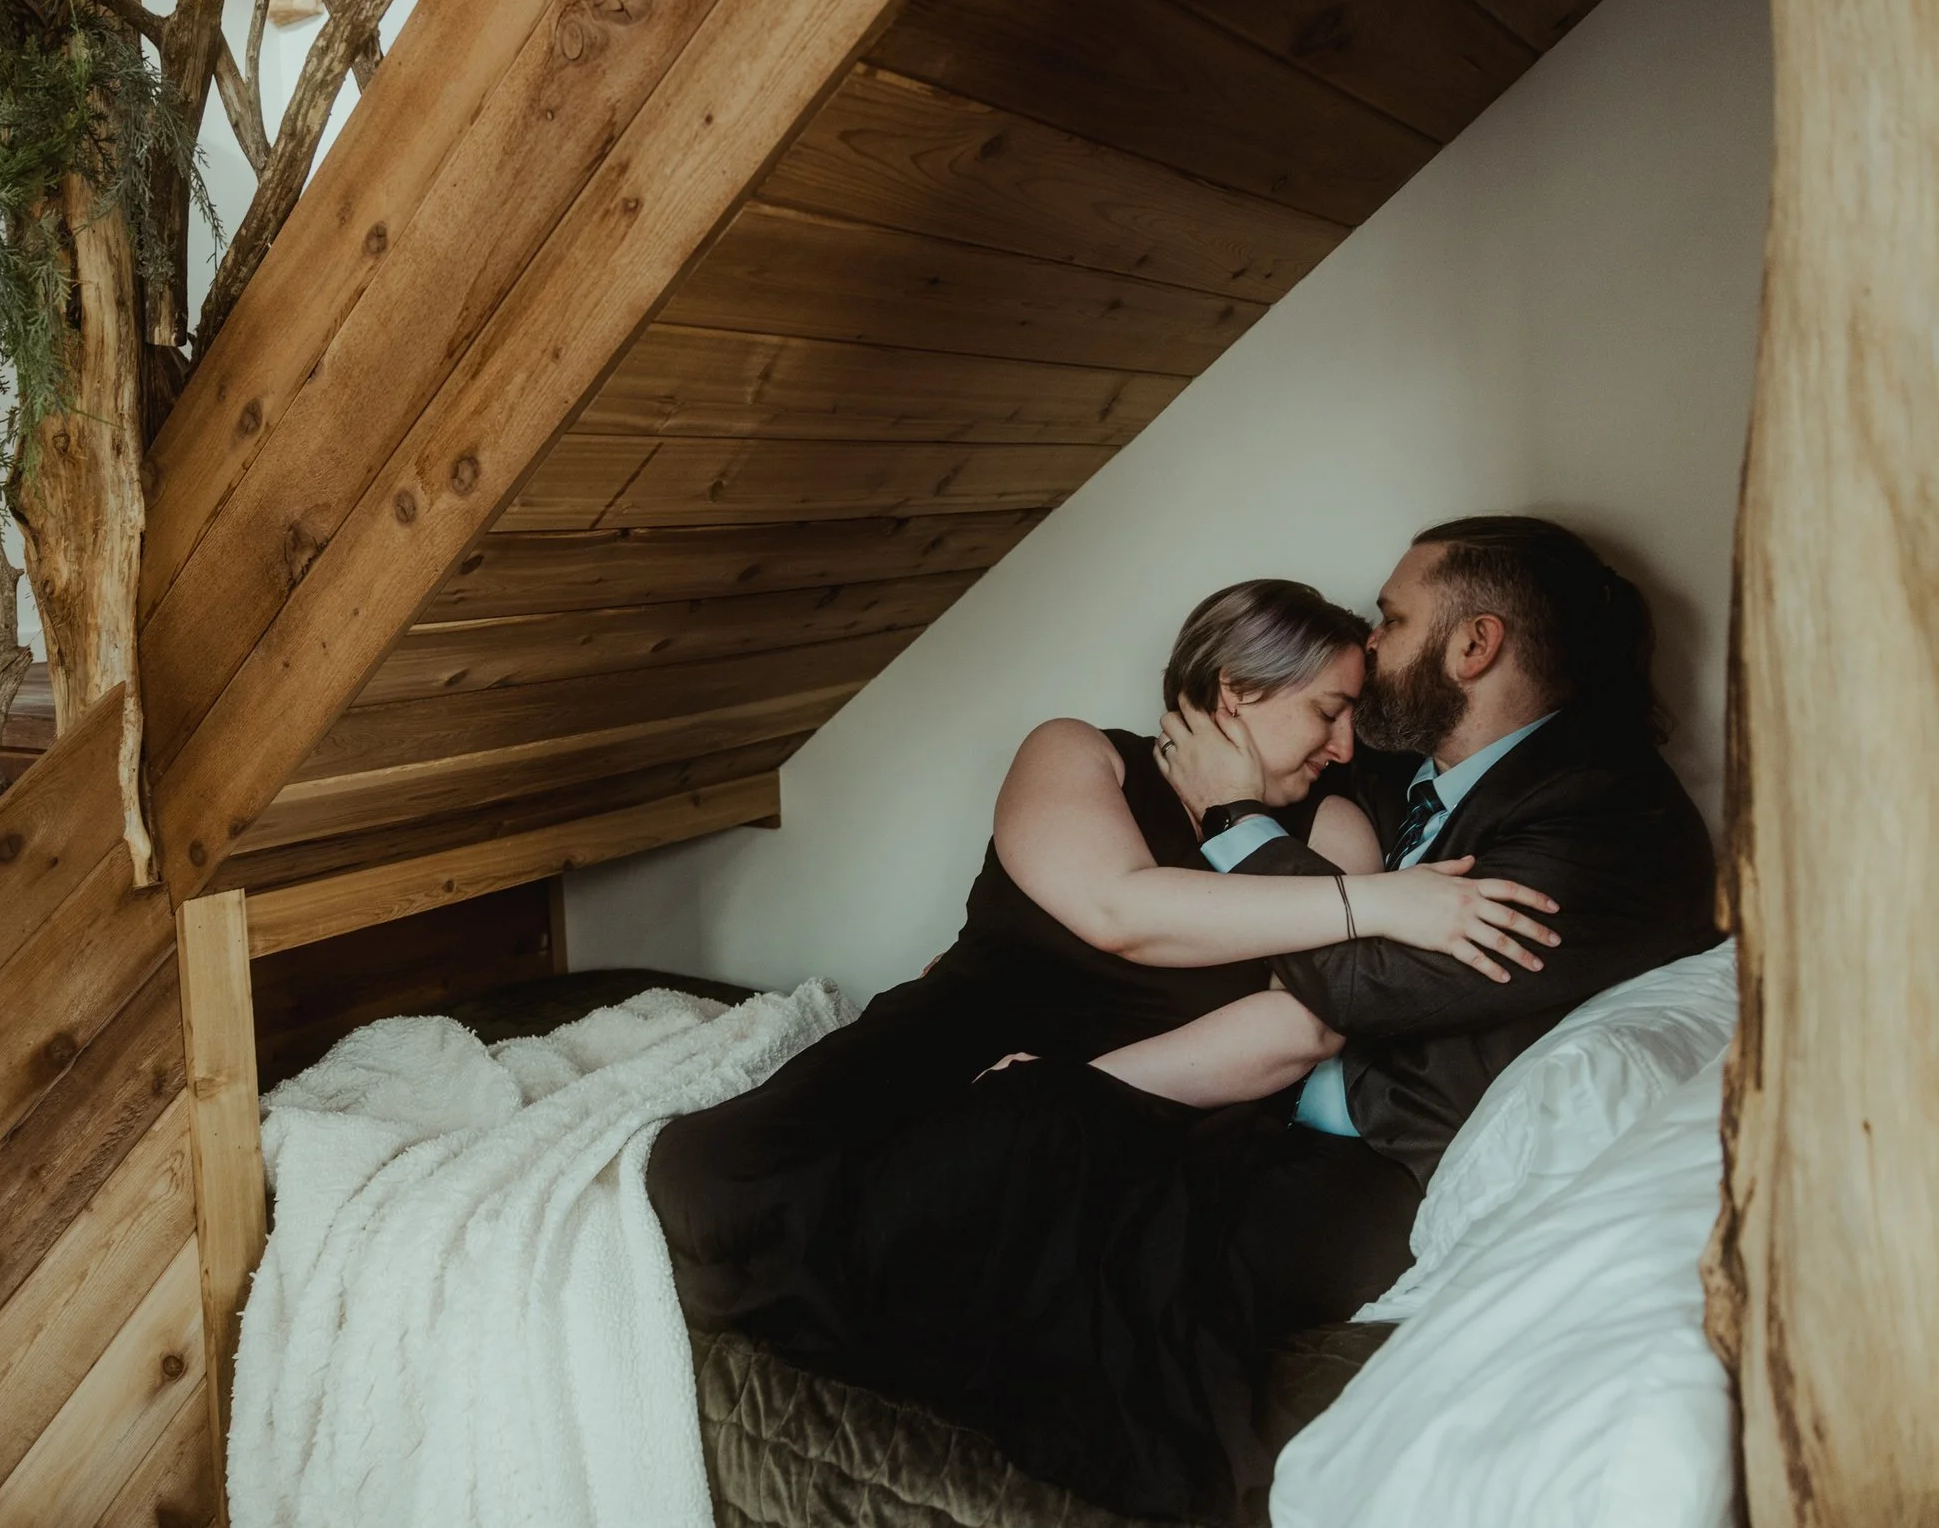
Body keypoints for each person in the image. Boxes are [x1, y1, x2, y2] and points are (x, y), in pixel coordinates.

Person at [645, 517, 1719, 1524]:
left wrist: (1076, 1072)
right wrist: (1370, 895)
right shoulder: (1127, 755)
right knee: (713, 1179)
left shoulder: (1551, 812)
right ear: (1235, 693)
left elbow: (1326, 1005)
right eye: (1327, 709)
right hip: (1008, 1030)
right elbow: (1123, 911)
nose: (1349, 733)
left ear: (1475, 645)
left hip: (1279, 1127)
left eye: (1389, 626)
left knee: (1014, 1200)